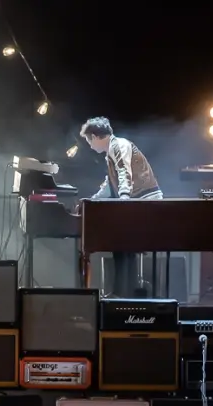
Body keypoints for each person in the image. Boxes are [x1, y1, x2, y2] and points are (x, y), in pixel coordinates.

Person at [79, 116, 162, 297]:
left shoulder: (119, 145)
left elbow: (125, 173)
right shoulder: (111, 152)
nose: (90, 146)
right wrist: (91, 200)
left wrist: (123, 201)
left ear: (95, 136)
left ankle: (122, 293)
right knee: (120, 246)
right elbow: (109, 186)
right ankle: (122, 293)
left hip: (145, 202)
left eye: (88, 141)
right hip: (136, 202)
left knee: (121, 244)